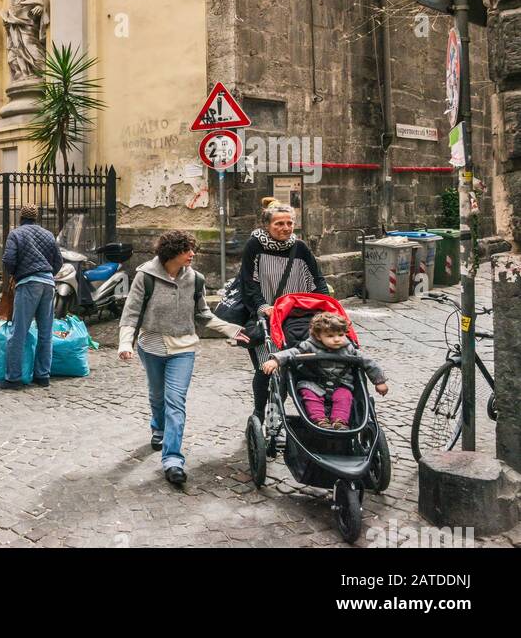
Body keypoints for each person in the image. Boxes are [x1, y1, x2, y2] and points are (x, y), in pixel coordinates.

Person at [118, 229, 236, 485]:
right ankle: (158, 428)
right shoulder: (145, 276)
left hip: (183, 348)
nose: (192, 254)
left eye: (192, 249)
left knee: (176, 401)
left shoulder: (196, 279)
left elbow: (203, 314)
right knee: (157, 395)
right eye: (186, 250)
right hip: (151, 345)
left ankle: (172, 460)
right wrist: (125, 342)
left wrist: (233, 329)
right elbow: (131, 312)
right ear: (171, 253)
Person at [238, 202, 329, 419]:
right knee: (266, 369)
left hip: (297, 317)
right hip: (267, 319)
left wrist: (326, 306)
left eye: (290, 223)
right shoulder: (254, 246)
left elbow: (317, 280)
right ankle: (260, 412)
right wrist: (262, 307)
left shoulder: (300, 248)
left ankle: (304, 412)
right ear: (267, 225)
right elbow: (248, 282)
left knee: (298, 367)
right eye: (279, 223)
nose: (285, 228)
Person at [263, 310, 388, 428]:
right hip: (313, 383)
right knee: (308, 394)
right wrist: (276, 360)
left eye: (341, 334)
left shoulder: (349, 349)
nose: (337, 339)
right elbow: (293, 352)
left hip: (341, 384)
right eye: (330, 336)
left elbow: (368, 362)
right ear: (318, 336)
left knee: (345, 397)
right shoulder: (309, 346)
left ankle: (339, 422)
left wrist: (379, 381)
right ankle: (320, 420)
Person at [0, 203, 62, 390]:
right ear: (36, 217)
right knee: (45, 332)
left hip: (28, 284)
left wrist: (17, 275)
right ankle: (43, 376)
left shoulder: (15, 234)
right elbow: (58, 261)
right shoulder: (48, 234)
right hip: (48, 284)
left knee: (18, 332)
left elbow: (8, 260)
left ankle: (13, 379)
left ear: (20, 217)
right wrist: (47, 273)